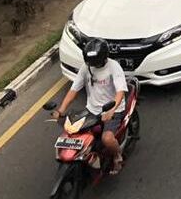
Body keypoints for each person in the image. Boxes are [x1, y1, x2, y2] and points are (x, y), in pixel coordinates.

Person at [52, 38, 128, 174]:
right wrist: (60, 110)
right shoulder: (86, 68)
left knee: (107, 138)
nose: (93, 66)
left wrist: (112, 110)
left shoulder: (114, 67)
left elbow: (120, 92)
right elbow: (73, 90)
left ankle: (117, 156)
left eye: (96, 62)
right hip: (92, 110)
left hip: (112, 109)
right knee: (74, 134)